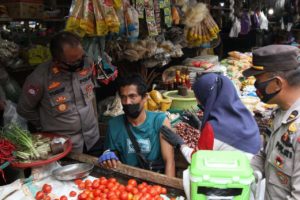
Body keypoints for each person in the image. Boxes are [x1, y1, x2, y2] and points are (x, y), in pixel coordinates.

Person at [17, 31, 100, 154]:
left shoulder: (87, 63)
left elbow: (91, 94)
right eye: (73, 62)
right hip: (64, 146)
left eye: (81, 58)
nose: (79, 64)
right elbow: (24, 109)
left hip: (92, 138)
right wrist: (44, 125)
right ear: (56, 61)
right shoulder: (39, 78)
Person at [161, 73, 261, 163]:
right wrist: (199, 126)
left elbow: (197, 159)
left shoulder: (213, 128)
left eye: (198, 98)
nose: (198, 102)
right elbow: (223, 139)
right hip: (252, 170)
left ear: (207, 98)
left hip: (234, 176)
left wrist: (180, 144)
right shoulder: (244, 114)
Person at [243, 45, 300, 200]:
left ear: (277, 83)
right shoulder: (279, 112)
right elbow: (263, 156)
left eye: (258, 80)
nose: (256, 87)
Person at [98, 74, 175, 177]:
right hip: (128, 181)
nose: (127, 102)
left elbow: (169, 161)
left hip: (155, 179)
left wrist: (167, 189)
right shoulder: (114, 125)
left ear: (144, 98)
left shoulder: (160, 121)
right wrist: (109, 157)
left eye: (132, 96)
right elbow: (111, 154)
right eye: (123, 97)